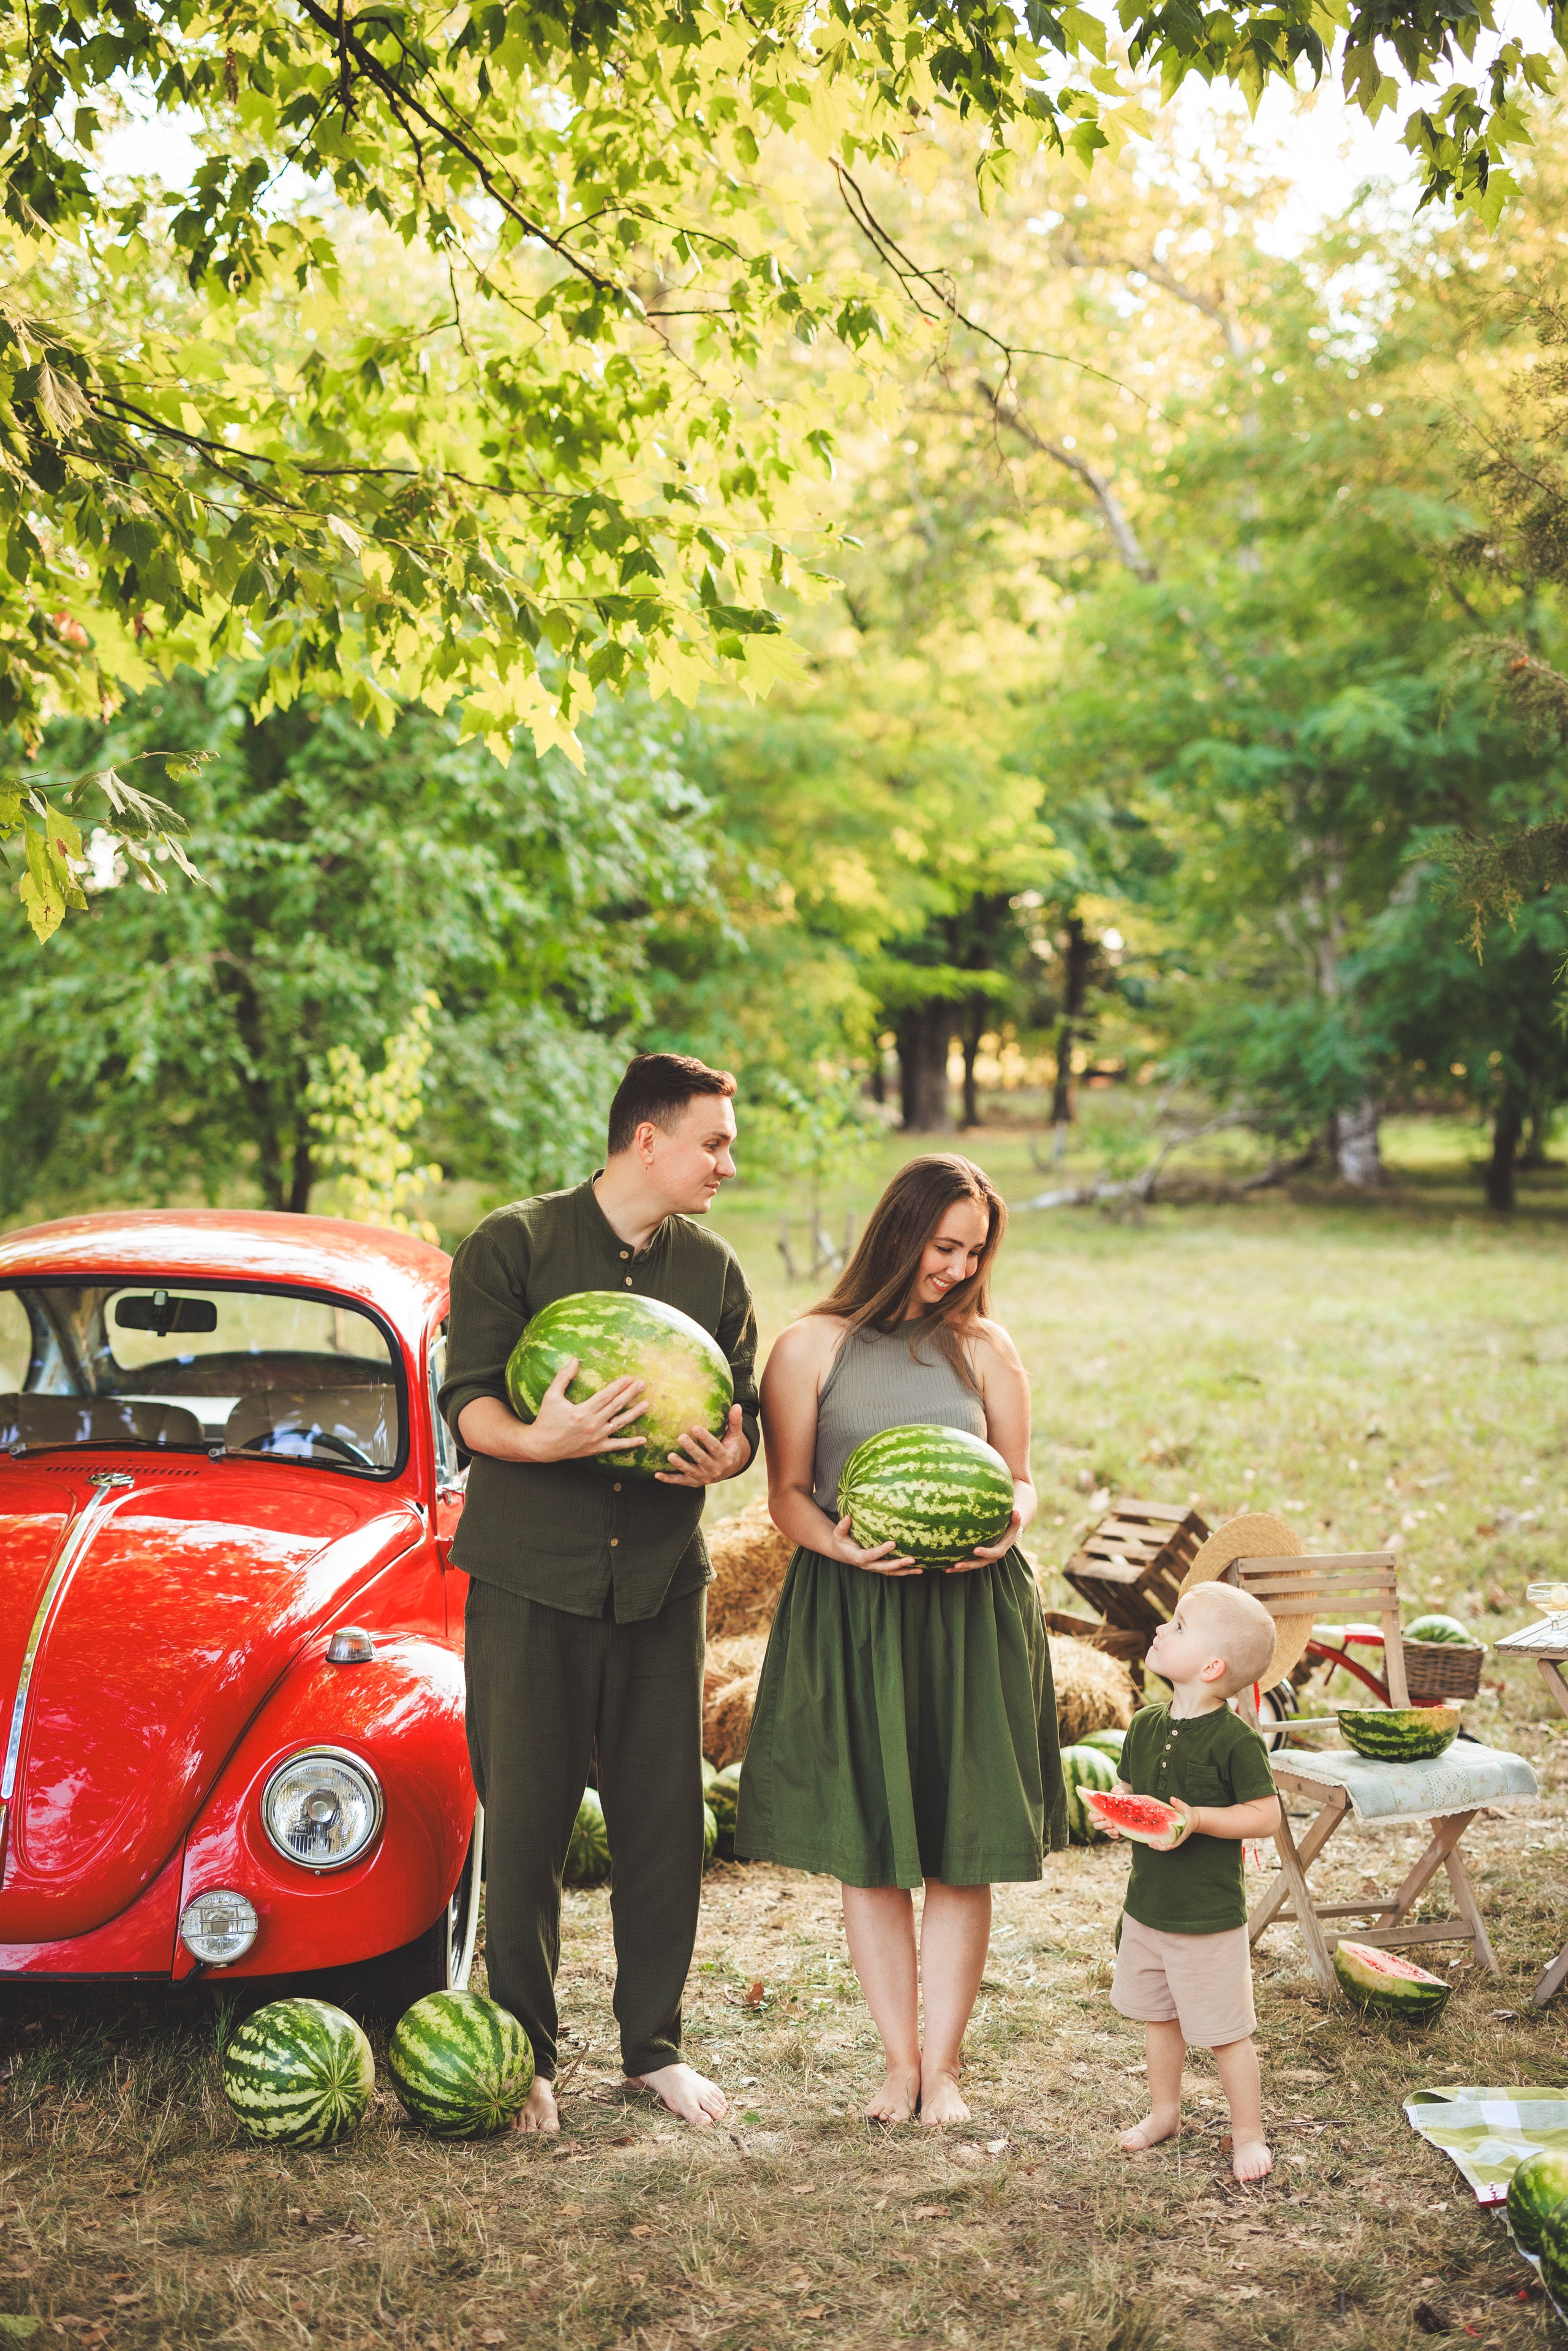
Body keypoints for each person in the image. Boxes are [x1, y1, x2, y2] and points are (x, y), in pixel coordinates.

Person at [439, 1052, 759, 2134]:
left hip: (664, 1581)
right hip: (532, 1578)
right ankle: (526, 2053)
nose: (728, 1160)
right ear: (648, 1140)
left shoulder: (713, 1269)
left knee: (664, 1817)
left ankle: (652, 2046)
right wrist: (539, 1438)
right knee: (524, 1821)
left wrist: (731, 1455)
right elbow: (470, 1403)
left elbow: (742, 1408)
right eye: (714, 1140)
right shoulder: (513, 1244)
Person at [736, 1153, 1066, 2127]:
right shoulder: (811, 1347)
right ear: (900, 1230)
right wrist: (842, 1542)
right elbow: (785, 1498)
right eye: (944, 1245)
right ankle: (898, 2065)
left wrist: (1014, 1519)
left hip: (972, 1615)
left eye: (975, 1252)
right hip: (858, 1610)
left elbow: (1023, 1479)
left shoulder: (986, 1350)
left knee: (963, 1847)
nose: (958, 1269)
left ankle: (946, 2068)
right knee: (874, 1848)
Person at [1109, 1580, 1282, 2183]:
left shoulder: (1234, 1739)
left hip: (1207, 1919)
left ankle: (1248, 2133)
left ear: (1211, 1666)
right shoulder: (1144, 1724)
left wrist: (1199, 1820)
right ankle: (1164, 2112)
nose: (1160, 1629)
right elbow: (1132, 1796)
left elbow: (1266, 1815)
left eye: (1178, 1625)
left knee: (1226, 2033)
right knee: (1160, 2020)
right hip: (1148, 1908)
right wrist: (1120, 1812)